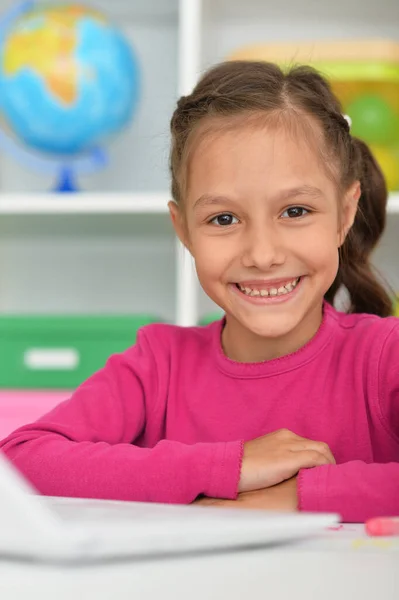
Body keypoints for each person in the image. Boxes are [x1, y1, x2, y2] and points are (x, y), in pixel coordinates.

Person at [1, 61, 398, 523]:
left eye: (295, 210)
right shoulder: (158, 365)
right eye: (223, 219)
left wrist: (295, 496)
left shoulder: (383, 356)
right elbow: (21, 460)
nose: (262, 254)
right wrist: (228, 466)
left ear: (345, 215)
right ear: (184, 229)